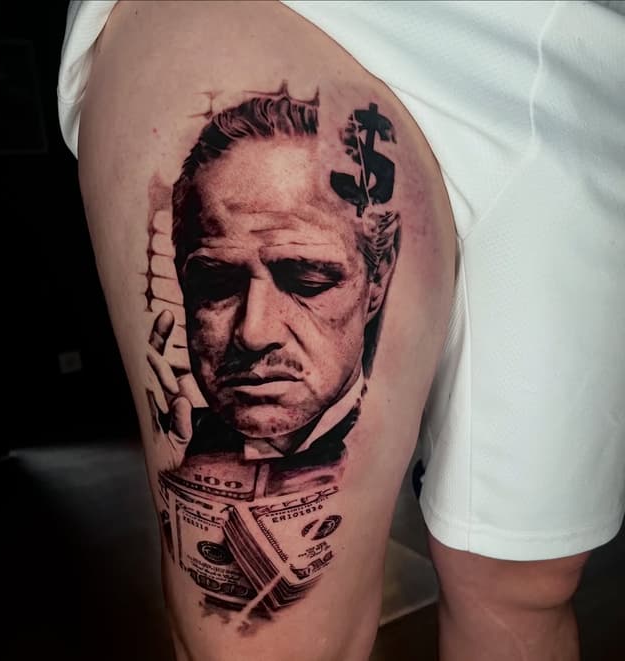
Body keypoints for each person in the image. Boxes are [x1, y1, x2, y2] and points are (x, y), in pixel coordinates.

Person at [59, 1, 625, 660]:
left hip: (579, 49)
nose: (255, 332)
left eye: (305, 278)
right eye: (214, 281)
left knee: (525, 582)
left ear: (375, 280)